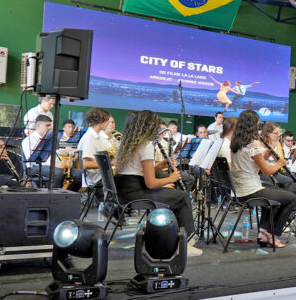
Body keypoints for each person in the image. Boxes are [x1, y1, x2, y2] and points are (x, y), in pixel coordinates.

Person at [114, 110, 202, 256]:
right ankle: (185, 243)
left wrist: (157, 167)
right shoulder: (146, 145)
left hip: (123, 190)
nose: (157, 130)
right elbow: (150, 183)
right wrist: (171, 178)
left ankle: (173, 237)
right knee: (181, 197)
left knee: (173, 195)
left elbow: (135, 170)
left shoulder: (125, 142)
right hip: (136, 192)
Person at [230, 110, 296, 248]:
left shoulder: (236, 142)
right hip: (250, 191)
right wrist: (280, 163)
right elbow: (266, 172)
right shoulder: (252, 144)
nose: (258, 126)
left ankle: (263, 232)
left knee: (275, 191)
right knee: (291, 199)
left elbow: (255, 165)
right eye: (256, 123)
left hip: (240, 189)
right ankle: (271, 234)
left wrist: (265, 154)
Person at [22, 115, 82, 191]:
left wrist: (62, 162)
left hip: (50, 165)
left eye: (50, 125)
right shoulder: (28, 140)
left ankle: (69, 196)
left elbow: (52, 154)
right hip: (33, 168)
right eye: (47, 125)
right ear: (38, 126)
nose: (49, 128)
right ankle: (52, 197)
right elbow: (32, 161)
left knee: (79, 174)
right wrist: (53, 164)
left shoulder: (48, 139)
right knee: (58, 173)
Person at [77, 108, 111, 187]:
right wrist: (110, 164)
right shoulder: (89, 138)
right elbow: (86, 164)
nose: (109, 123)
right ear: (99, 121)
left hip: (100, 176)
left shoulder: (98, 137)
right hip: (95, 180)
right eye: (106, 120)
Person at [260, 122, 296, 194]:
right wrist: (270, 149)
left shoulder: (277, 143)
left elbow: (280, 159)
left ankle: (287, 200)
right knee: (273, 184)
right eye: (276, 133)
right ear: (268, 134)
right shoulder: (260, 143)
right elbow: (261, 160)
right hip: (263, 172)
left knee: (289, 180)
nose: (279, 135)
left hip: (275, 171)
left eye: (279, 132)